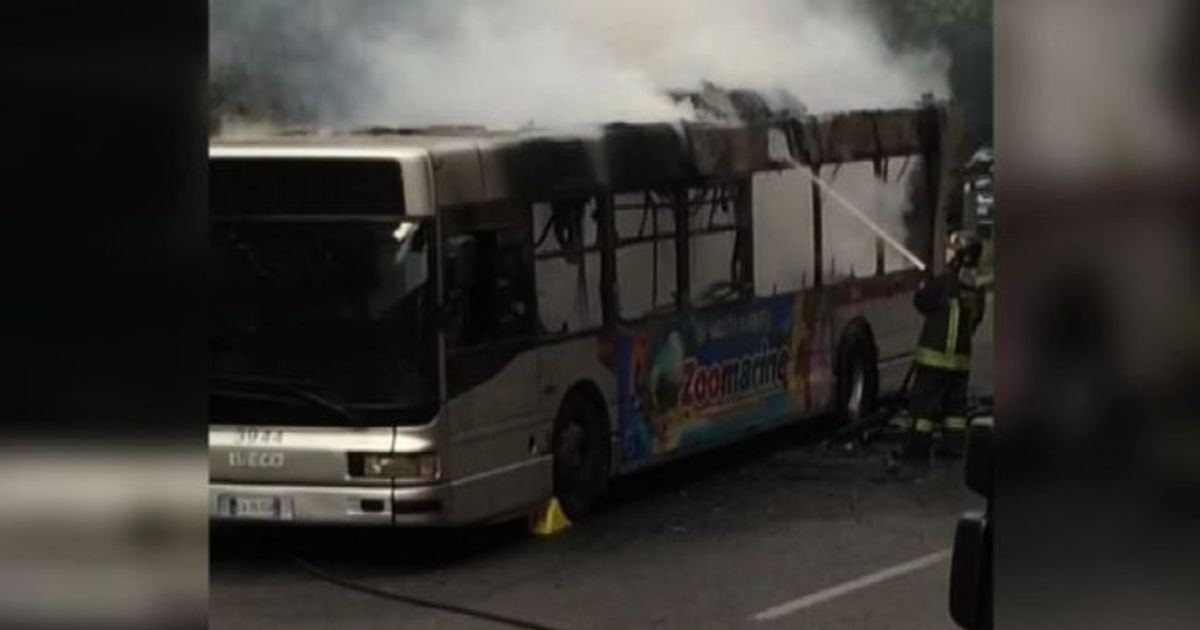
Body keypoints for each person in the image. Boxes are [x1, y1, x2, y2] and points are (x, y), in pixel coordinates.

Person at [900, 230, 987, 460]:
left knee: (923, 407)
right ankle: (952, 448)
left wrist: (924, 285)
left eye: (951, 250)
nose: (947, 253)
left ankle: (916, 450)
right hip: (961, 360)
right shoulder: (976, 288)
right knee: (955, 410)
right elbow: (977, 319)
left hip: (934, 357)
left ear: (961, 256)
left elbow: (921, 302)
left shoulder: (944, 282)